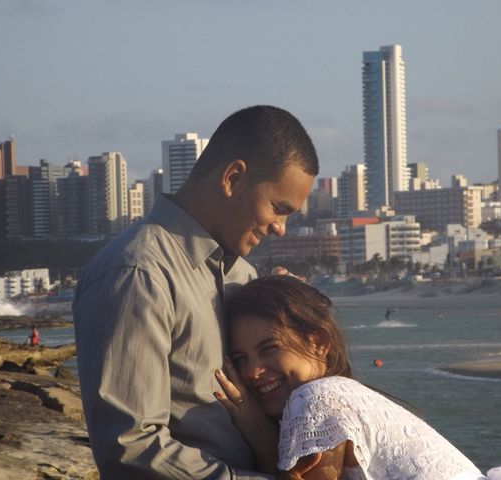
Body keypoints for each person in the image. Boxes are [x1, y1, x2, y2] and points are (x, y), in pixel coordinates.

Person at [72, 105, 319, 479]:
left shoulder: (242, 274)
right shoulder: (138, 274)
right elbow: (130, 447)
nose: (280, 228)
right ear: (233, 178)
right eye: (278, 208)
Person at [216, 276, 501, 480]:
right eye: (240, 359)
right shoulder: (347, 393)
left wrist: (257, 434)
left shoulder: (317, 399)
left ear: (319, 342)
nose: (252, 372)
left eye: (270, 349)